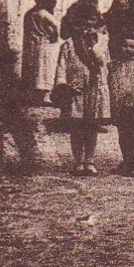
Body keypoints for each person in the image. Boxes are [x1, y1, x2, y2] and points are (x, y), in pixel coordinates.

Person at [55, 24, 110, 176]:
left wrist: (93, 48)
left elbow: (105, 65)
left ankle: (90, 161)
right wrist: (62, 86)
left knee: (92, 127)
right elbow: (62, 66)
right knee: (77, 126)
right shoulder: (70, 44)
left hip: (95, 88)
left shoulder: (102, 42)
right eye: (85, 23)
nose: (89, 28)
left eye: (93, 23)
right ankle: (78, 161)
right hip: (76, 89)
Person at [0, 45, 35, 176]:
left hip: (11, 112)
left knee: (21, 134)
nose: (8, 66)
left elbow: (23, 97)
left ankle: (26, 161)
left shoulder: (14, 79)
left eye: (9, 64)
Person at [107, 36, 134, 177]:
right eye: (126, 46)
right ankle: (126, 160)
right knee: (122, 133)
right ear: (120, 47)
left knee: (132, 133)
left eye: (133, 47)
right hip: (118, 104)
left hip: (133, 105)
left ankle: (130, 162)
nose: (129, 50)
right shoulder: (112, 65)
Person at [21, 0, 61, 103]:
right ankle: (45, 96)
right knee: (46, 69)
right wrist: (55, 35)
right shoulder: (43, 13)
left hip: (32, 44)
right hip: (46, 44)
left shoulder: (29, 13)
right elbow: (57, 25)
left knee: (33, 68)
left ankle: (32, 95)